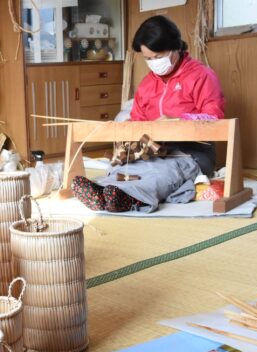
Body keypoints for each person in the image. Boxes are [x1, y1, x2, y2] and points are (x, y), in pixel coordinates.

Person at [72, 15, 226, 213]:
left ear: (175, 47)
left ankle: (128, 197)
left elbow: (215, 119)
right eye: (148, 59)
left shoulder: (202, 75)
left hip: (192, 153)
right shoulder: (147, 85)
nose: (153, 63)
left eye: (158, 57)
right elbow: (138, 121)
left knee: (163, 171)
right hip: (154, 150)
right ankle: (104, 192)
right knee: (127, 166)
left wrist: (180, 121)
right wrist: (126, 128)